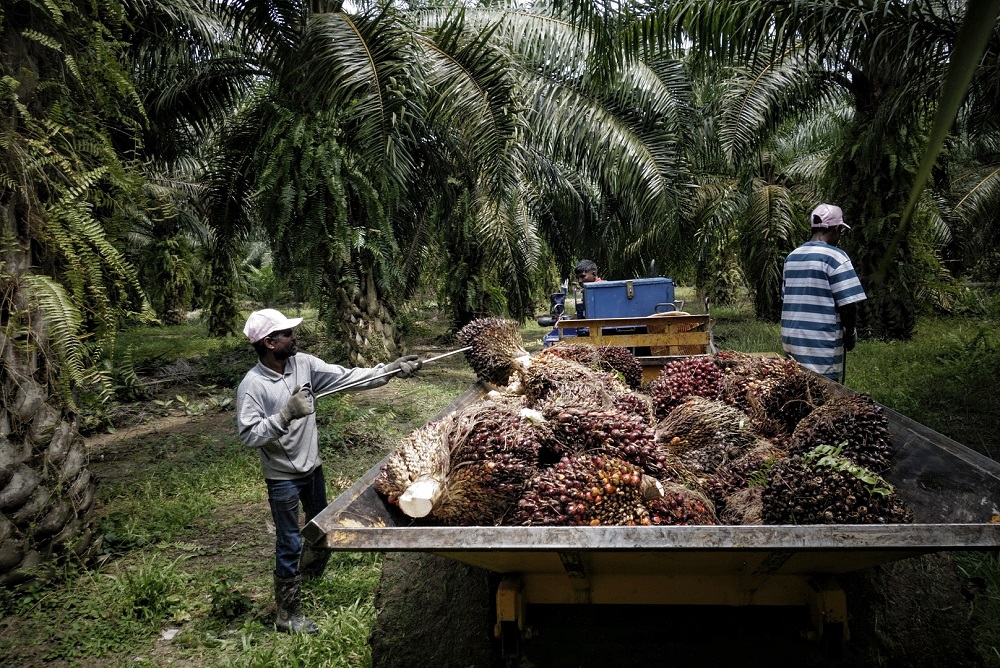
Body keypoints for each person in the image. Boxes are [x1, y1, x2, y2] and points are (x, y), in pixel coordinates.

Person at [236, 308, 421, 634]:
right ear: (269, 342)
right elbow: (249, 434)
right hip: (282, 476)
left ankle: (306, 575)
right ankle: (287, 614)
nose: (295, 337)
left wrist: (388, 371)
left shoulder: (302, 364)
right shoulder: (253, 386)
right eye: (287, 334)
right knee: (290, 539)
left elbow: (345, 377)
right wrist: (285, 416)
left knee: (319, 525)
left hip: (313, 466)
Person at [781, 204, 867, 381]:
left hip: (792, 343)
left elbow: (786, 298)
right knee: (824, 394)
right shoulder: (836, 257)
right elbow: (848, 305)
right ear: (835, 229)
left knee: (796, 388)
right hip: (822, 347)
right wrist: (850, 334)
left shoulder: (792, 257)